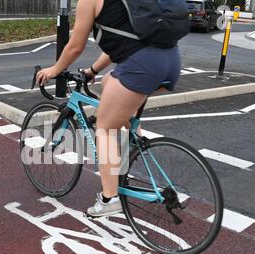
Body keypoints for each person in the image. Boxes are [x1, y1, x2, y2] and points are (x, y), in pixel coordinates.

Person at [36, 0, 181, 217]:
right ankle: (131, 145)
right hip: (170, 63)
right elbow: (122, 42)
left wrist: (55, 69)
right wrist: (92, 70)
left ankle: (109, 199)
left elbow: (75, 46)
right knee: (109, 83)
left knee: (104, 128)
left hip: (141, 66)